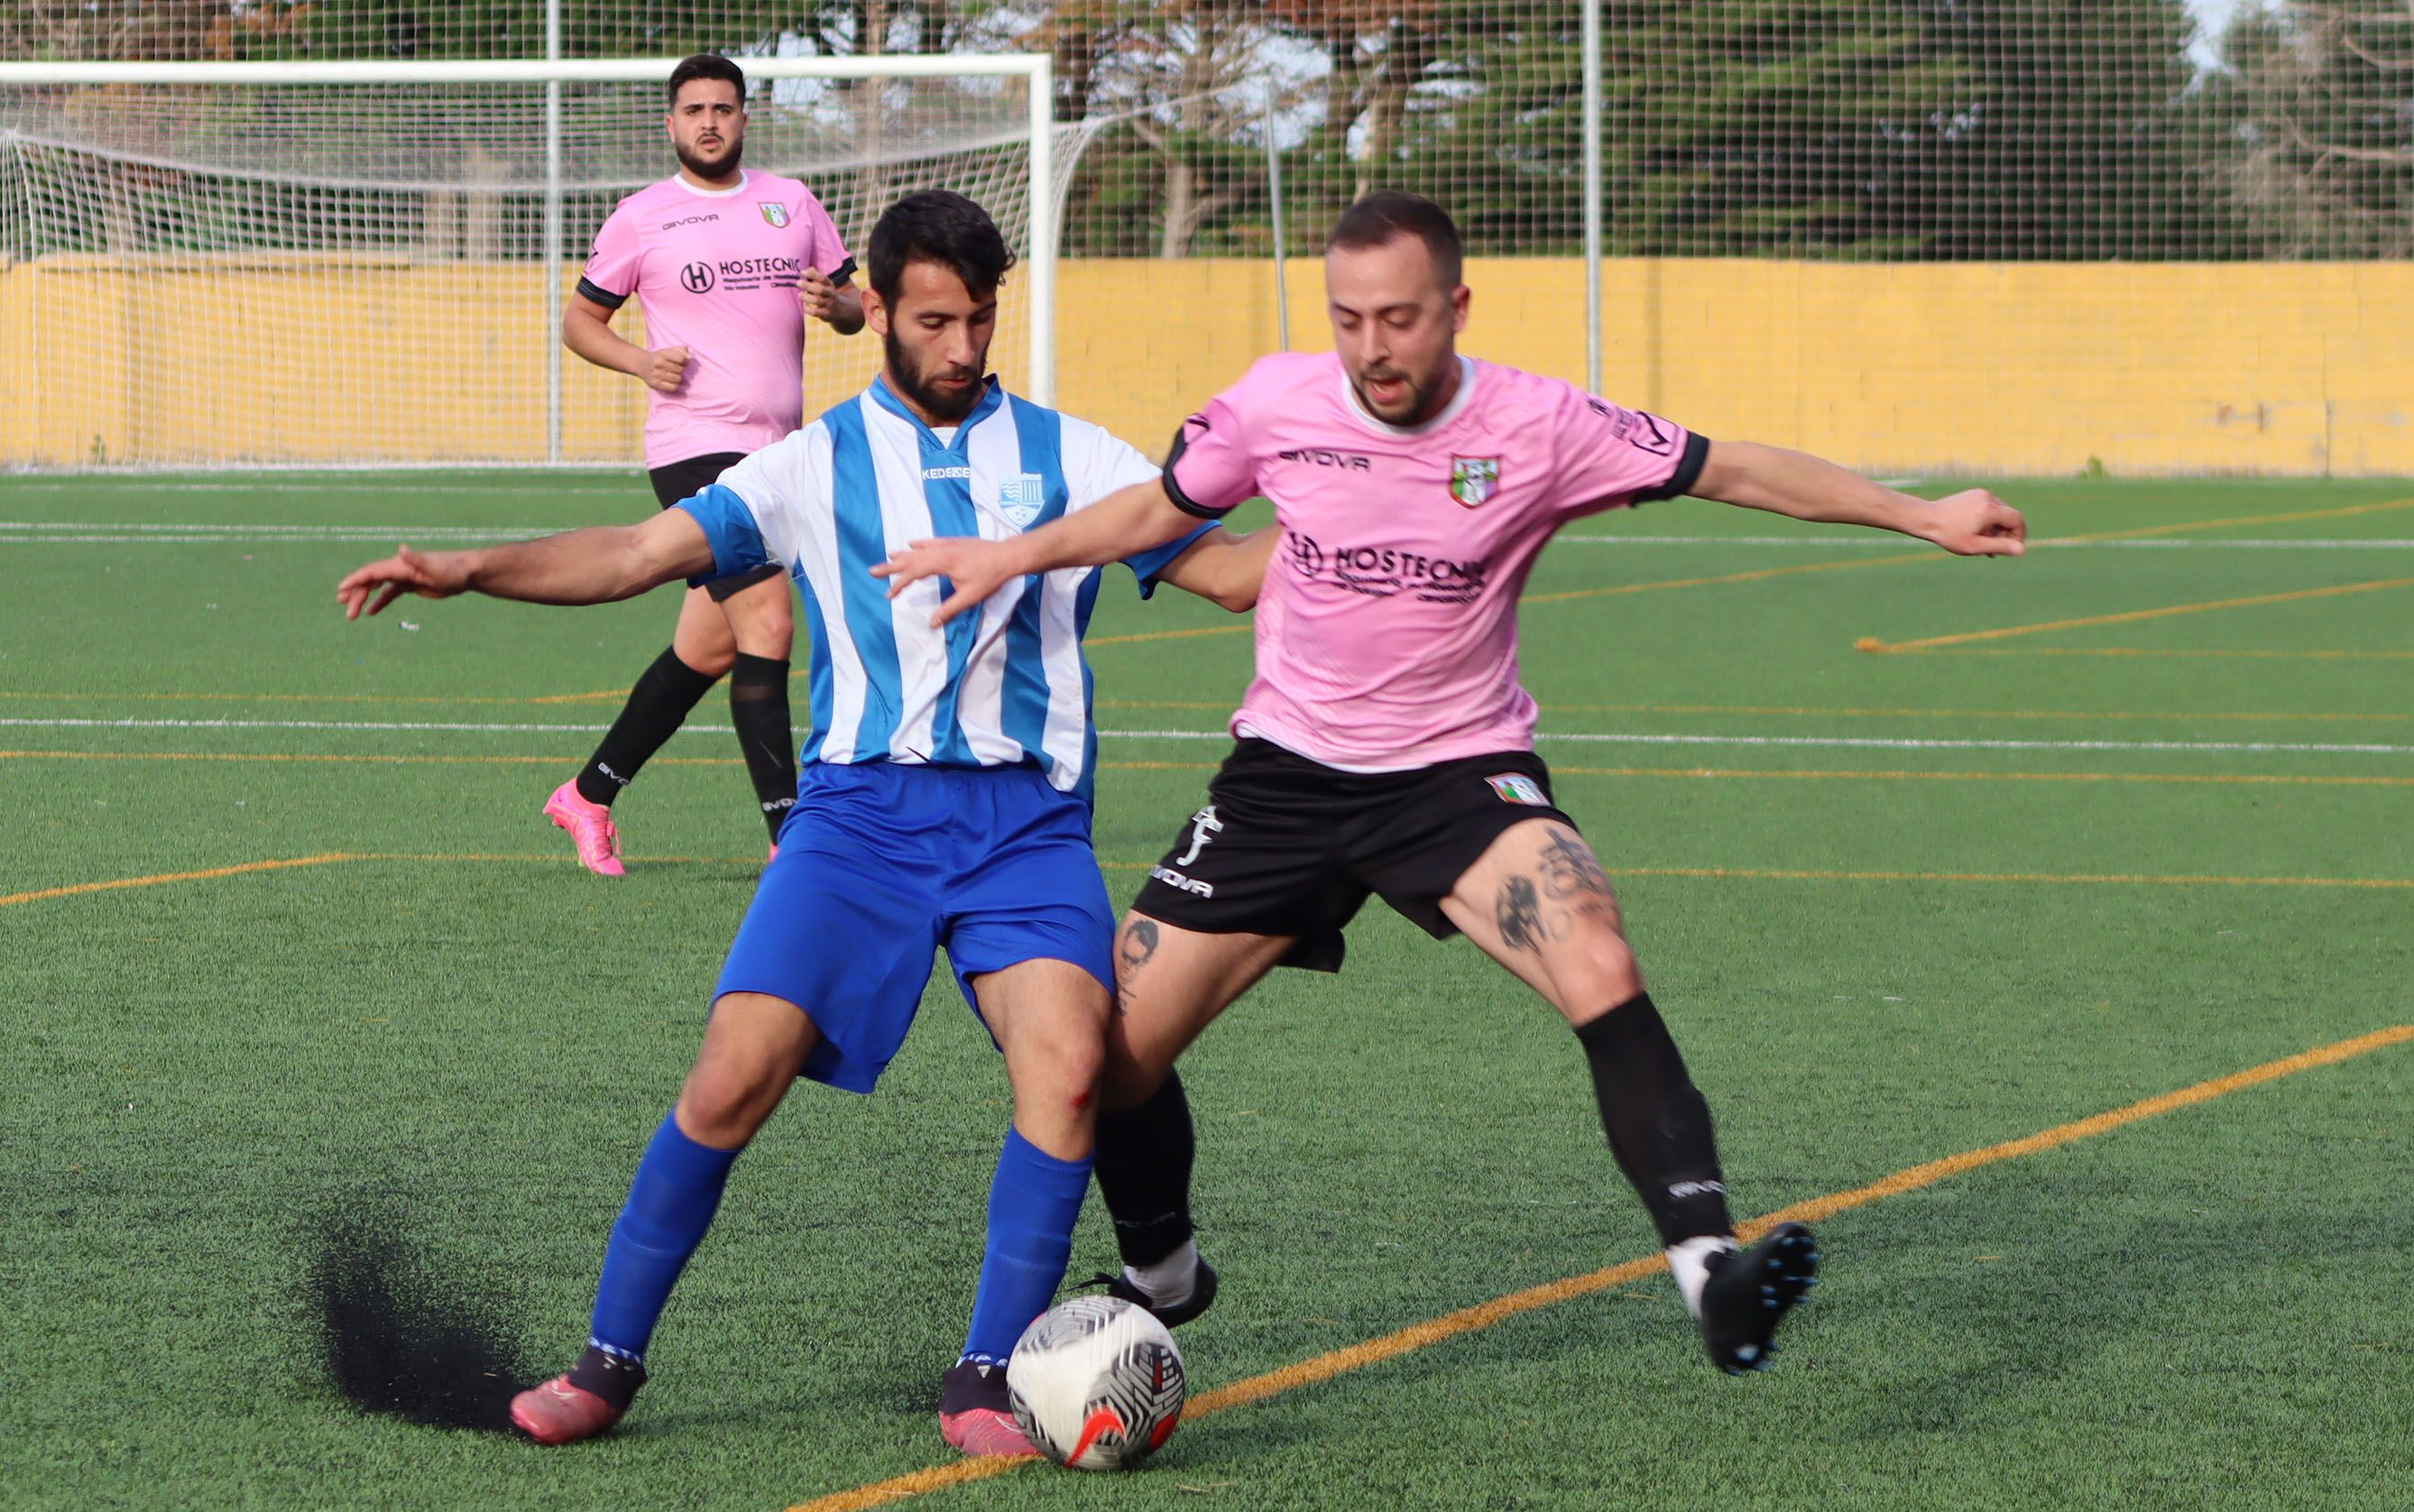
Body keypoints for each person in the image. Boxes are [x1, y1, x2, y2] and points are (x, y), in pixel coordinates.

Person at [875, 190, 2029, 1377]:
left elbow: (1731, 469)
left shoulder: (1540, 424)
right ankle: (1166, 1273)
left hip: (1459, 777)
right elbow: (1161, 509)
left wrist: (1920, 513)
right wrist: (1009, 550)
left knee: (1598, 955)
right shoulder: (1278, 400)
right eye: (1350, 319)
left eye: (1400, 319)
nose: (1373, 347)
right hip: (1285, 778)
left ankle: (1710, 1277)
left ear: (1456, 309)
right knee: (1108, 1058)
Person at [336, 190, 1277, 1454]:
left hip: (1027, 831)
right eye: (934, 320)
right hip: (855, 823)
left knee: (1063, 1068)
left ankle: (983, 1378)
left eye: (980, 321)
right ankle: (606, 1367)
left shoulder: (1078, 459)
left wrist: (1393, 530)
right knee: (733, 1075)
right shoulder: (808, 463)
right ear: (874, 309)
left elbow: (1228, 574)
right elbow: (629, 554)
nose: (960, 348)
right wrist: (464, 570)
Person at [548, 52, 864, 876]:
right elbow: (581, 323)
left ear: (744, 119)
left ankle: (587, 795)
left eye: (724, 108)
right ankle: (791, 836)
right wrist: (635, 361)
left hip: (781, 455)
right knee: (767, 621)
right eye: (695, 110)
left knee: (709, 649)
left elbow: (859, 309)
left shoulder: (791, 203)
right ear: (672, 123)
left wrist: (840, 309)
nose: (710, 122)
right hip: (695, 449)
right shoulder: (642, 217)